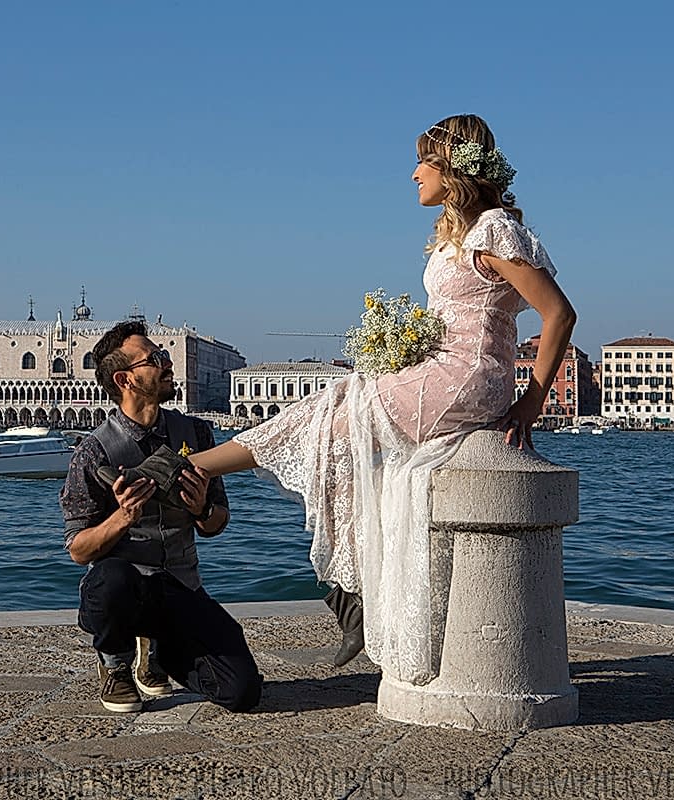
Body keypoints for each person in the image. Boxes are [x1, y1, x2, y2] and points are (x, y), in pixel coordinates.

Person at [143, 114, 576, 683]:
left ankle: (185, 471)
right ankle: (348, 593)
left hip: (468, 375)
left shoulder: (493, 230)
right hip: (439, 367)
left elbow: (558, 313)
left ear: (453, 168)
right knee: (327, 427)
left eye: (424, 160)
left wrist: (532, 398)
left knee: (326, 421)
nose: (413, 172)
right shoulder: (458, 233)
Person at [60, 320, 263, 713]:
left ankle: (158, 649)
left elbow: (216, 524)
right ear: (126, 379)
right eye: (155, 359)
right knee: (111, 579)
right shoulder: (92, 452)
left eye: (164, 355)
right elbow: (78, 551)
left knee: (241, 693)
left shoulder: (197, 435)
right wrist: (122, 517)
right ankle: (115, 661)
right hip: (125, 588)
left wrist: (201, 507)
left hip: (181, 586)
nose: (167, 363)